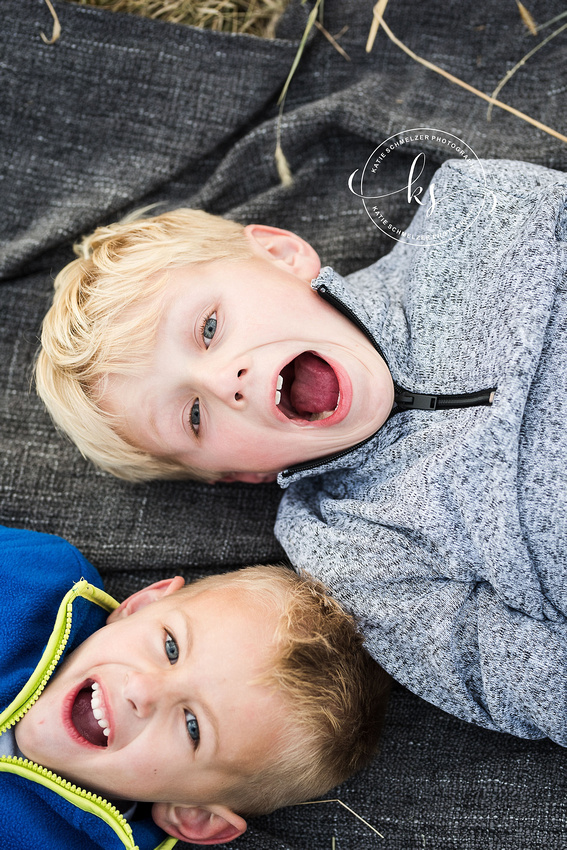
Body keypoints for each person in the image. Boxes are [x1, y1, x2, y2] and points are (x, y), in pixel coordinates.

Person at [35, 158, 567, 745]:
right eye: (193, 416)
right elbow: (491, 668)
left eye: (209, 328)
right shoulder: (346, 550)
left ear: (282, 255)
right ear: (242, 474)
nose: (223, 382)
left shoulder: (479, 214)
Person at [0, 524, 390, 850]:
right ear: (140, 606)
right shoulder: (35, 577)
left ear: (194, 815)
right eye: (171, 647)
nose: (142, 690)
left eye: (192, 726)